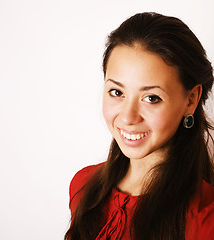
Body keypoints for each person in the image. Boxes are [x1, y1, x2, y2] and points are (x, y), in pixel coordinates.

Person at [64, 12, 214, 240]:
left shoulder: (206, 218)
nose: (128, 117)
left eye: (151, 98)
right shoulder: (83, 186)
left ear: (191, 100)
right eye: (117, 92)